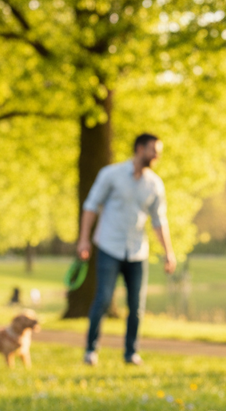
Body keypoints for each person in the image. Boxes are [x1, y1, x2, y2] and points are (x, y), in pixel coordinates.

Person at [77, 133, 176, 367]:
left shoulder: (154, 184)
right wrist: (84, 240)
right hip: (109, 246)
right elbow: (91, 206)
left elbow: (159, 220)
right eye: (154, 150)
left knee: (137, 306)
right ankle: (91, 350)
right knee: (102, 299)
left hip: (137, 251)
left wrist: (168, 252)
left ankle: (131, 353)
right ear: (140, 149)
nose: (157, 156)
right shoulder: (111, 174)